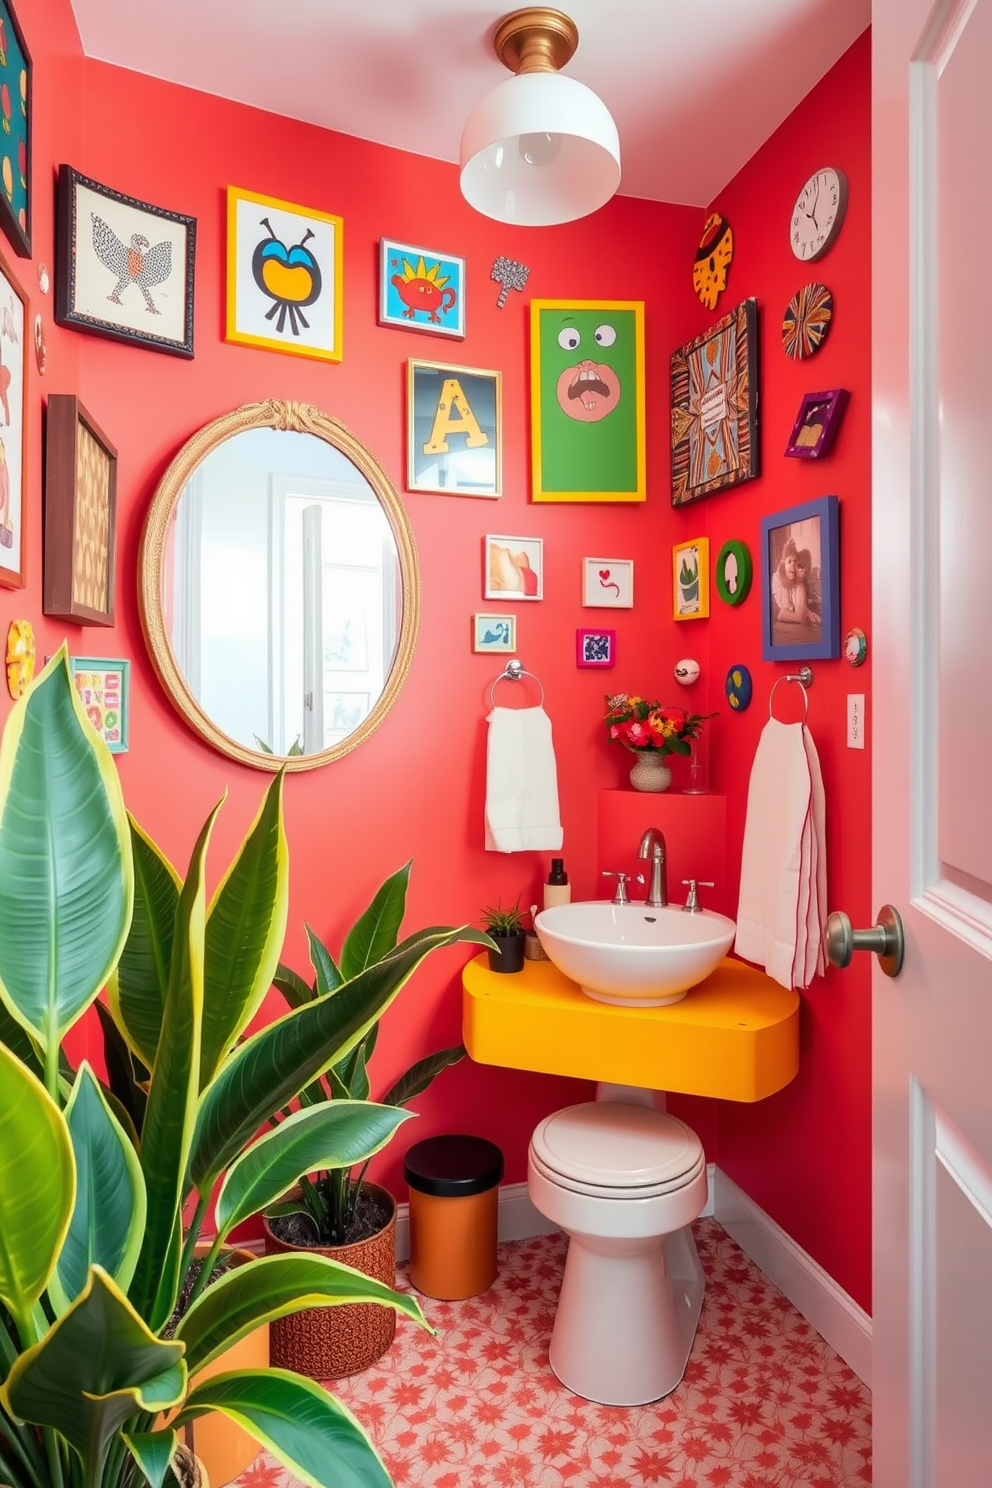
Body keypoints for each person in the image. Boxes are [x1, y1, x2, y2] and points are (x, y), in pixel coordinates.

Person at [771, 538, 819, 626]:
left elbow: (800, 616)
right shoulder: (776, 579)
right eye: (789, 561)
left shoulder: (798, 581)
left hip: (806, 621)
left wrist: (784, 615)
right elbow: (779, 611)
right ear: (783, 563)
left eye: (795, 561)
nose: (793, 565)